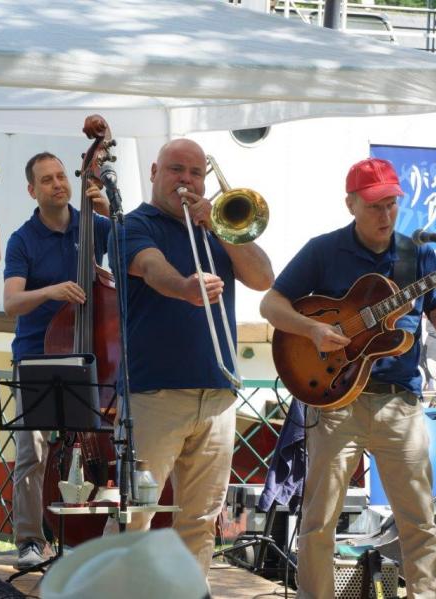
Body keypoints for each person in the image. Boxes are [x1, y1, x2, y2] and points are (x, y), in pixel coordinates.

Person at [259, 157, 436, 598]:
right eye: (374, 205)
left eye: (391, 204)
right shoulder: (323, 250)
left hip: (400, 402)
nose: (385, 214)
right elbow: (271, 304)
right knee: (319, 519)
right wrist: (313, 329)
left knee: (418, 520)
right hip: (336, 401)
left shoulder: (421, 254)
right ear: (350, 203)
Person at [102, 123, 274, 574]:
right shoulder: (133, 224)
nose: (187, 180)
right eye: (176, 169)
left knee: (199, 522)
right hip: (154, 395)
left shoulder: (216, 226)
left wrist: (217, 228)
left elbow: (262, 278)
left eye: (196, 172)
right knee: (132, 518)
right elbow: (151, 268)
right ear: (155, 171)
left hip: (216, 394)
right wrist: (185, 287)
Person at [3, 151, 111, 569]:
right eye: (46, 180)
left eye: (62, 176)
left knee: (106, 445)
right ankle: (30, 540)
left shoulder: (94, 227)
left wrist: (112, 214)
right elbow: (11, 302)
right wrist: (50, 292)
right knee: (33, 452)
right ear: (32, 190)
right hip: (37, 356)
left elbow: (132, 251)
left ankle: (101, 537)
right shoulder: (23, 239)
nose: (58, 184)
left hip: (91, 354)